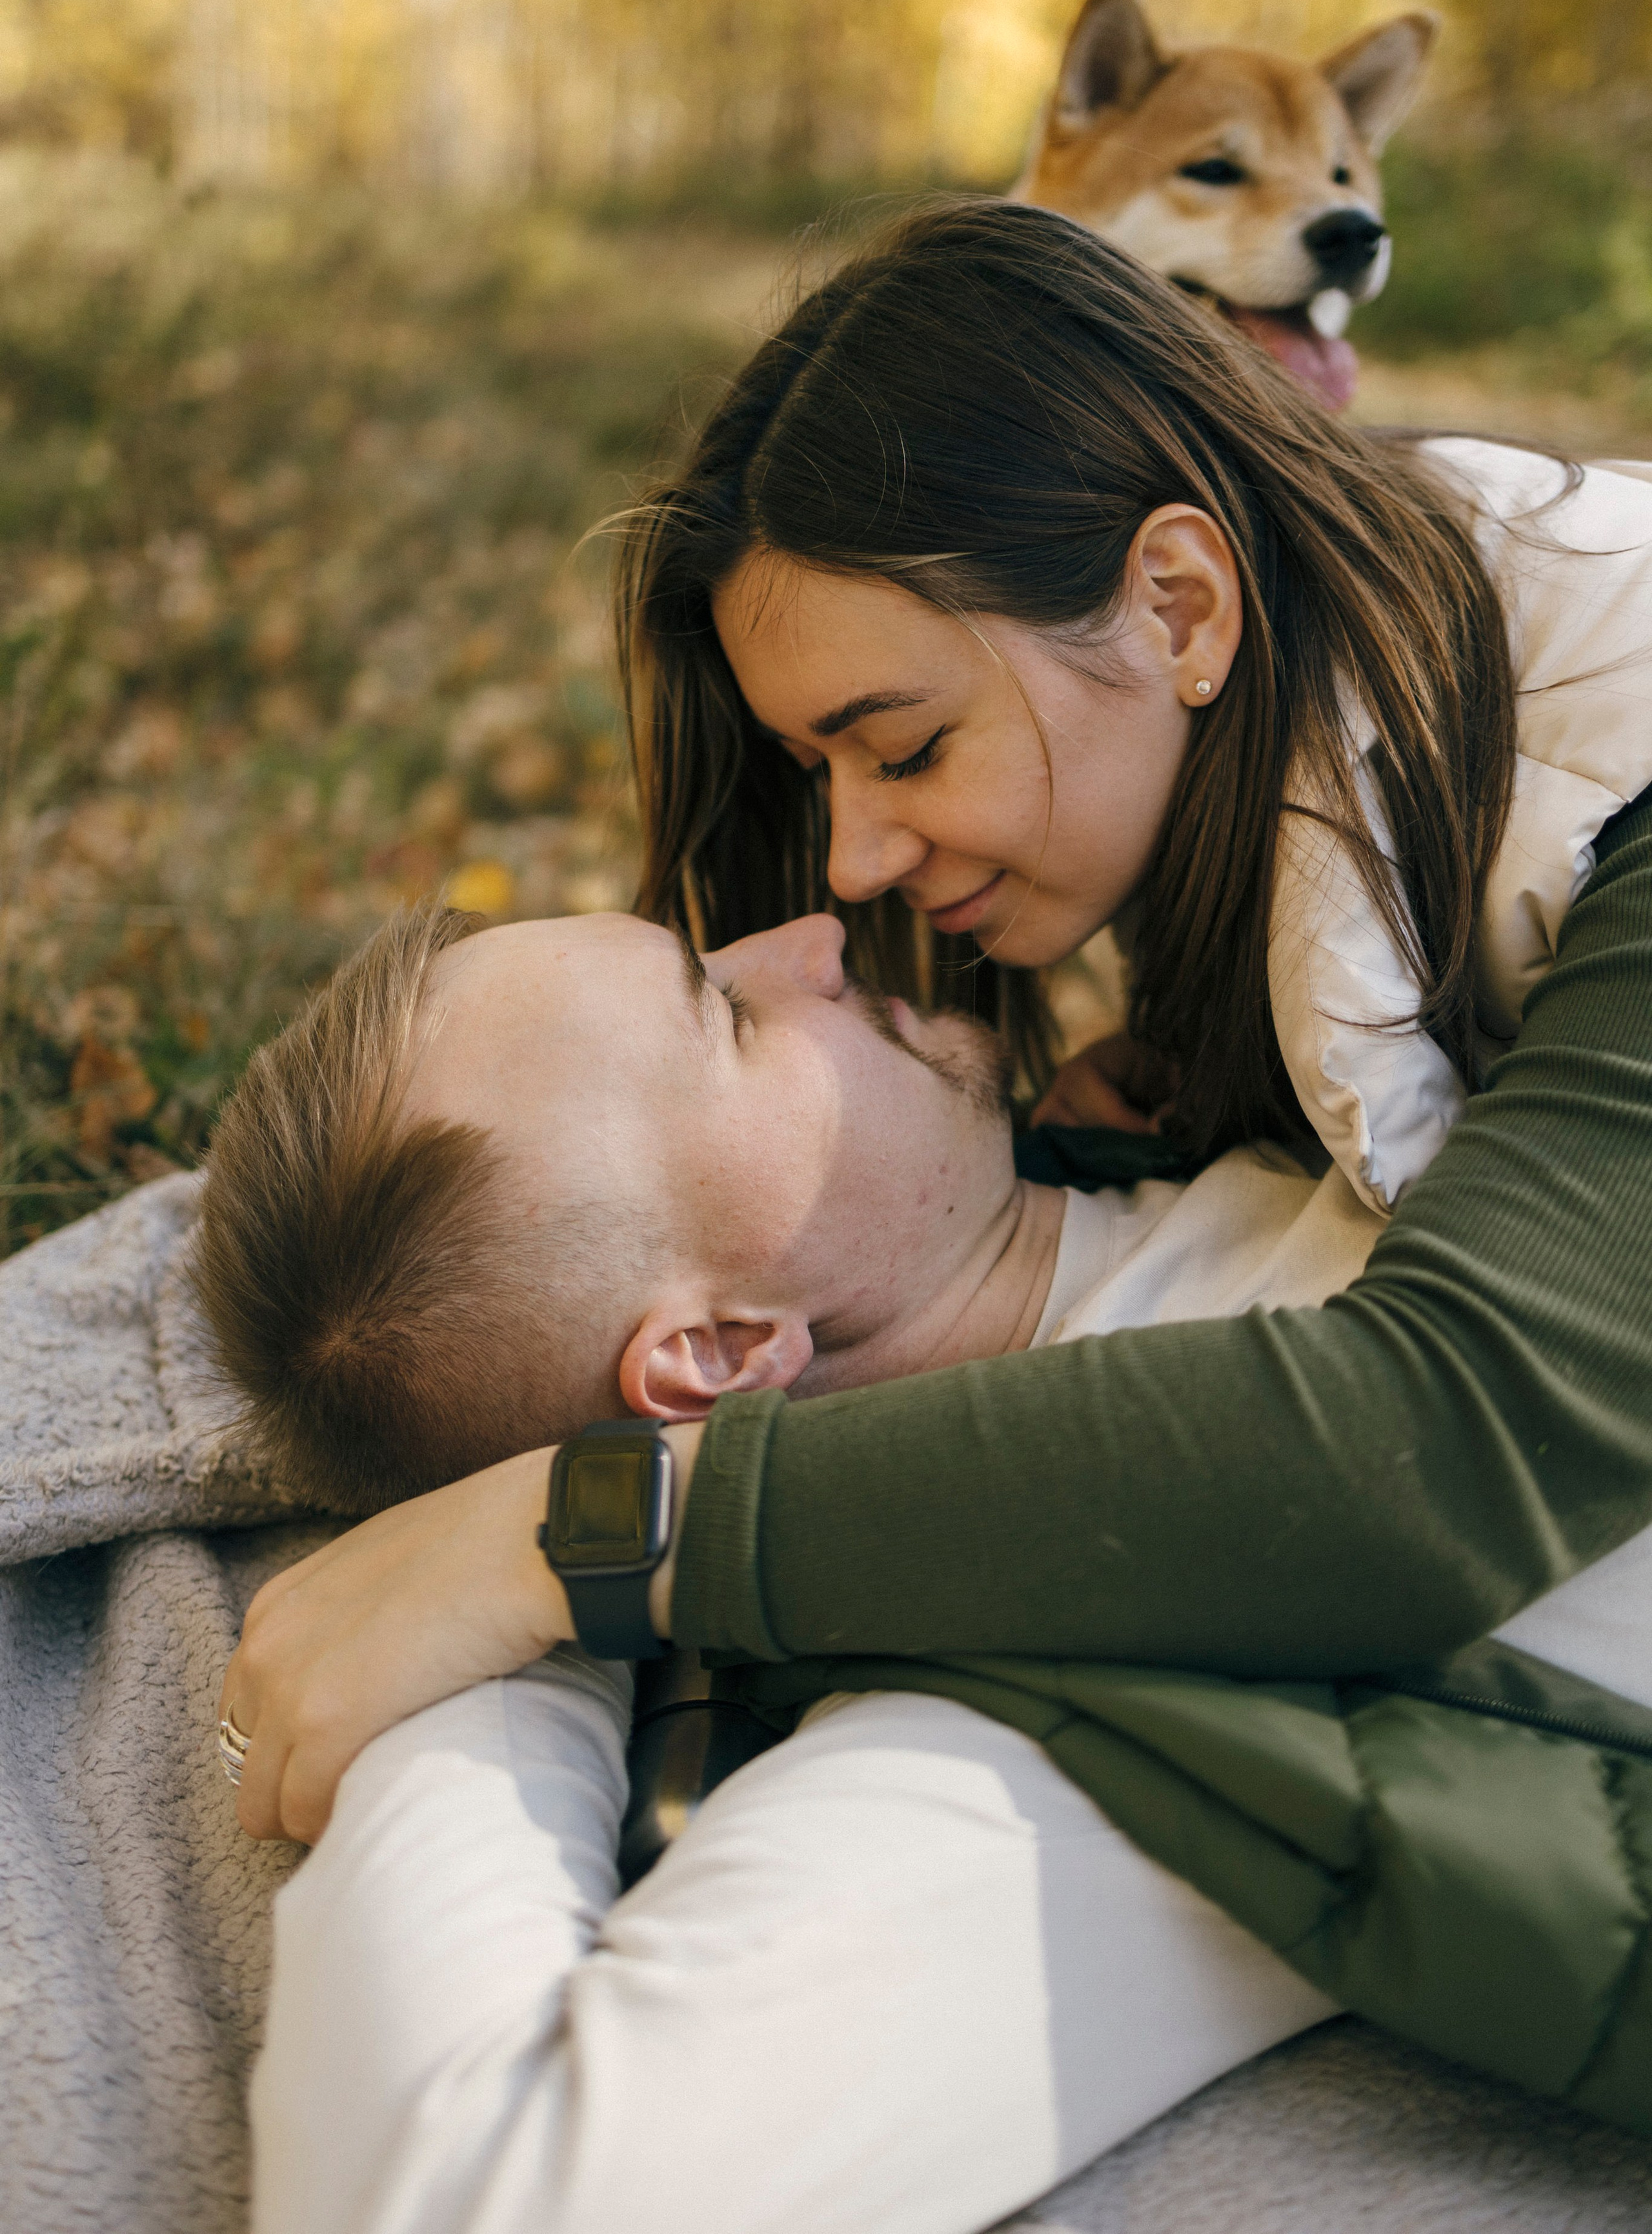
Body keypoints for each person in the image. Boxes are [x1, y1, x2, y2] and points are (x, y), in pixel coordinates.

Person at [209, 197, 1652, 2211]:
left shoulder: (1546, 773)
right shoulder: (1068, 1633)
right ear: (706, 1354)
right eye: (727, 1015)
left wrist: (564, 1539)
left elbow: (1441, 1437)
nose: (834, 897)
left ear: (1182, 607)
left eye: (903, 747)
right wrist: (474, 1676)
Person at [196, 895, 1652, 2233]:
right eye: (727, 1012)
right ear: (718, 1352)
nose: (812, 934)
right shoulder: (1027, 1723)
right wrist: (481, 1645)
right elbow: (456, 2197)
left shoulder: (1270, 1068)